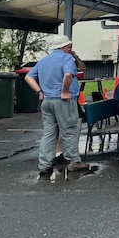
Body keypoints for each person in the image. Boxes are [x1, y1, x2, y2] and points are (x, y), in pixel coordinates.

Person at [25, 34, 89, 175]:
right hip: (63, 101)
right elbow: (68, 75)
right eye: (69, 46)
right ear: (66, 47)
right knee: (69, 130)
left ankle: (44, 165)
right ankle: (75, 161)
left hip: (47, 101)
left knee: (49, 133)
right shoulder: (66, 58)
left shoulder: (44, 60)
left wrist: (39, 91)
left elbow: (28, 77)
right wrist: (65, 91)